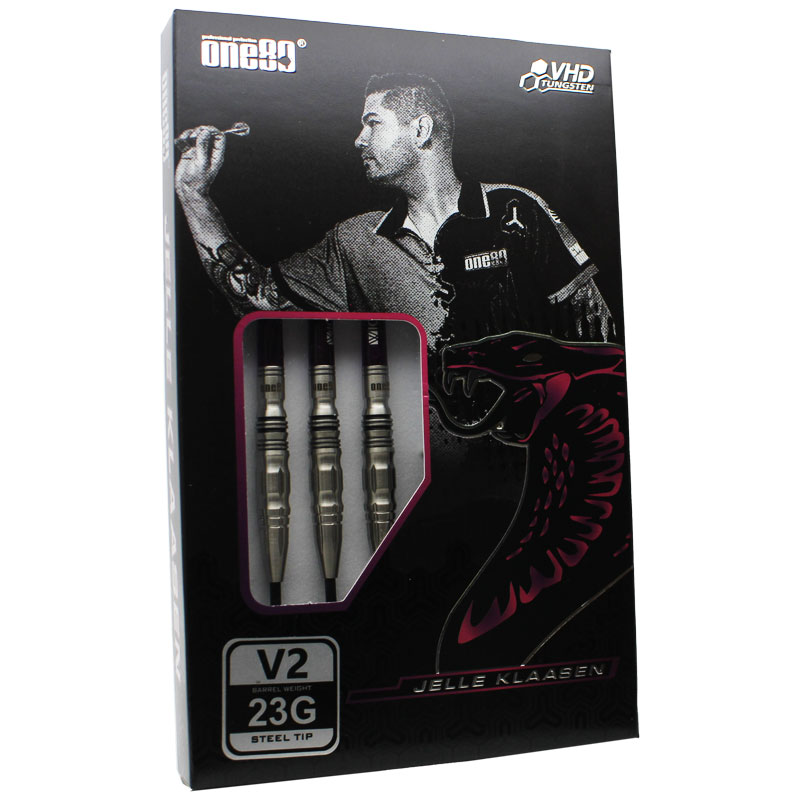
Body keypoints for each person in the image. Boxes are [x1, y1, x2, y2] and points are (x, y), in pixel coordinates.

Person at [175, 73, 614, 354]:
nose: (358, 140)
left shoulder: (515, 209)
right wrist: (194, 194)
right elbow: (258, 297)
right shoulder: (354, 241)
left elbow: (597, 333)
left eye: (373, 123)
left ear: (421, 129)